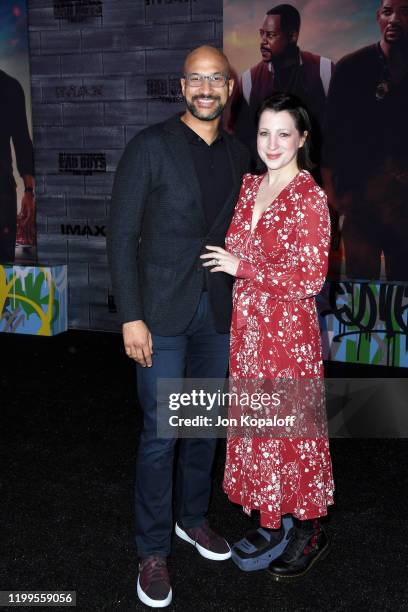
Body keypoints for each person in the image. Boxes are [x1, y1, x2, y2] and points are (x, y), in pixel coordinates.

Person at [107, 46, 250, 608]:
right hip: (160, 317)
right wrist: (131, 317)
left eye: (216, 78)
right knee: (161, 434)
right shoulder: (149, 147)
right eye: (196, 78)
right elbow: (121, 237)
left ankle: (193, 519)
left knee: (204, 429)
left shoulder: (243, 155)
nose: (206, 87)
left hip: (218, 315)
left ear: (230, 87)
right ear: (182, 86)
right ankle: (152, 550)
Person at [201, 93, 334, 579]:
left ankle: (310, 527)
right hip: (249, 331)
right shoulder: (249, 184)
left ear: (302, 137)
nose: (272, 143)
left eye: (284, 133)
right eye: (264, 132)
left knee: (292, 432)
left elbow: (310, 278)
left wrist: (245, 267)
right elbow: (231, 247)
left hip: (287, 334)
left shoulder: (309, 196)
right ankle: (273, 519)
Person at [322, 0, 408, 280]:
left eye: (404, 12)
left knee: (403, 299)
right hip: (359, 203)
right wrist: (334, 196)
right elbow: (330, 138)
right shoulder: (351, 67)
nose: (394, 19)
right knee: (362, 300)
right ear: (378, 17)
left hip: (403, 207)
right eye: (387, 12)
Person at [227, 4, 333, 162]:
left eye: (270, 35)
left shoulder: (324, 70)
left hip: (318, 173)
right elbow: (241, 138)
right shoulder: (249, 80)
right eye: (262, 34)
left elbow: (341, 129)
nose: (263, 42)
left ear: (292, 36)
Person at [0, 68, 35, 263]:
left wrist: (29, 191)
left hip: (2, 191)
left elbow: (22, 140)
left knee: (2, 271)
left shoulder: (9, 86)